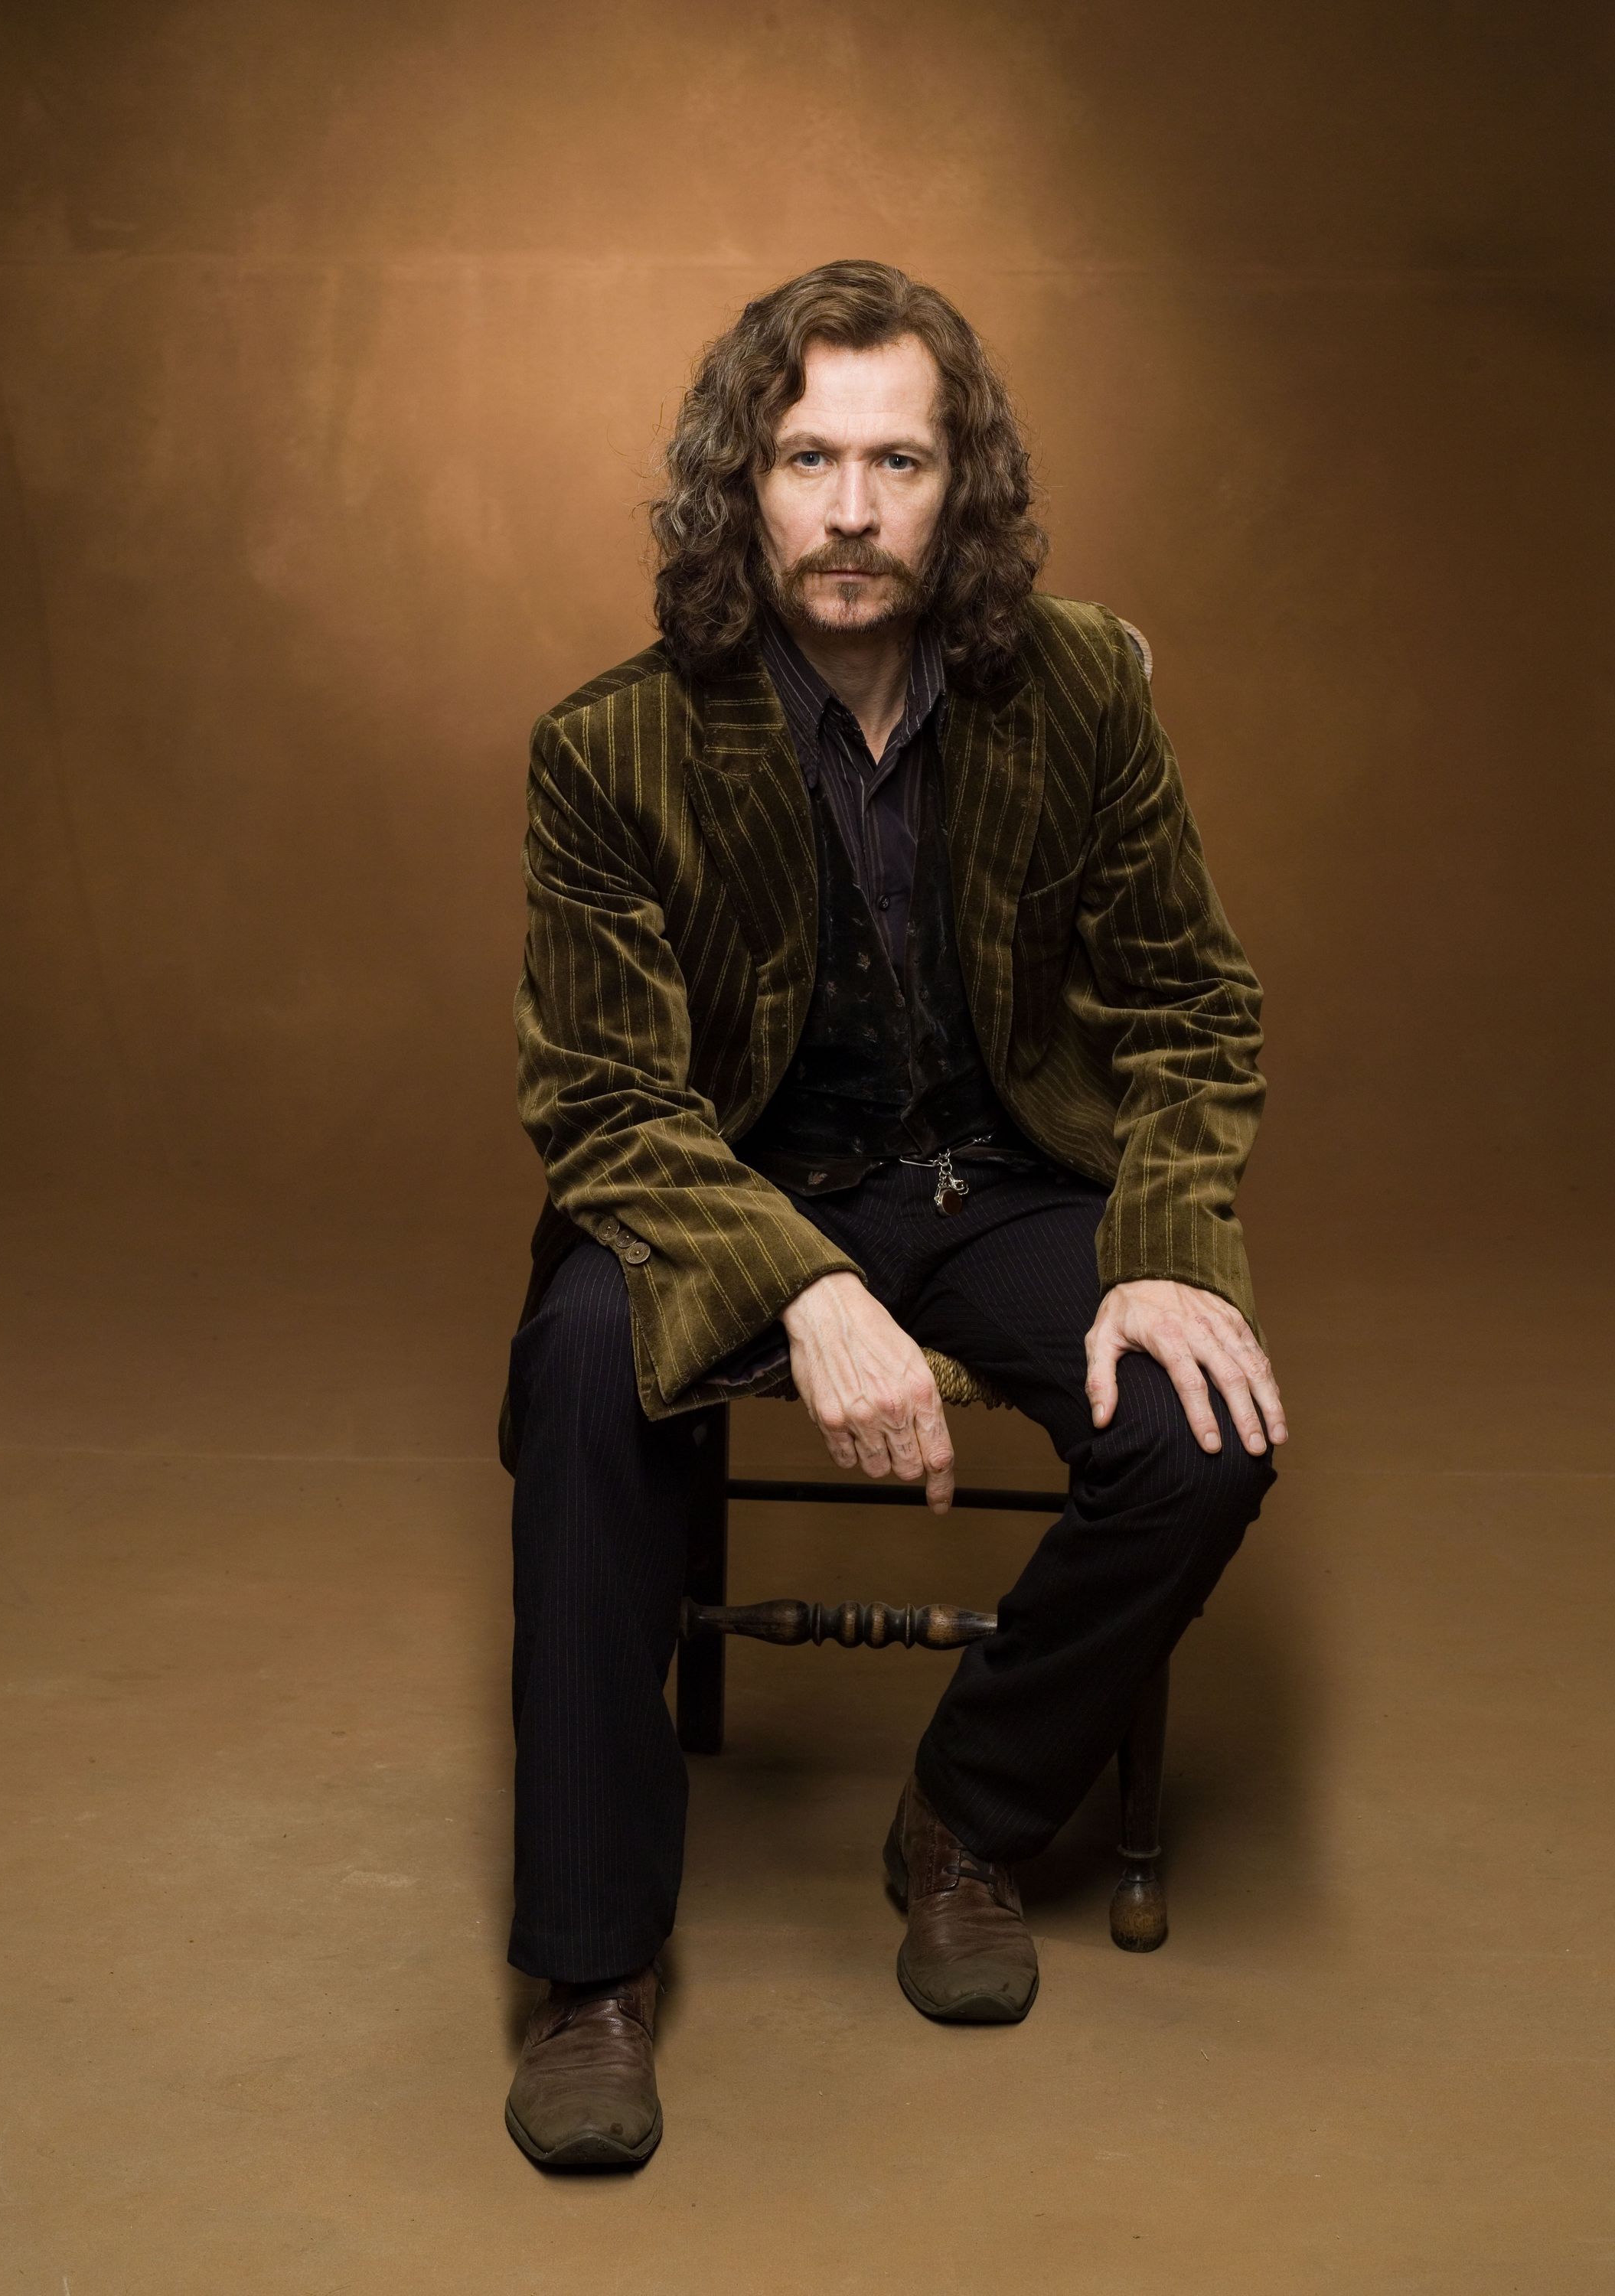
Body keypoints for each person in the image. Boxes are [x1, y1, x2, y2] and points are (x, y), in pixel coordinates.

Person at [499, 259, 1286, 2170]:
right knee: (583, 1370)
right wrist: (806, 1285)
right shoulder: (607, 748)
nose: (851, 510)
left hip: (1001, 1175)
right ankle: (591, 1977)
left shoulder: (1081, 686)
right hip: (733, 1183)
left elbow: (1194, 1006)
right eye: (808, 460)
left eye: (898, 463)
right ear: (742, 484)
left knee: (1203, 1434)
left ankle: (965, 1815)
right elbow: (602, 1098)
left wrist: (1165, 1251)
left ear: (962, 488)